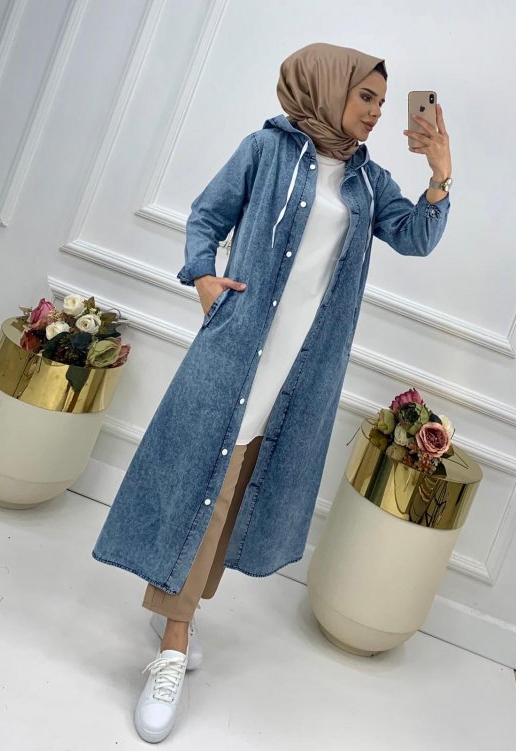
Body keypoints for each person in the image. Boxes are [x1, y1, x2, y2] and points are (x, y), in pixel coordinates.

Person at [92, 42, 452, 744]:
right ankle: (173, 643)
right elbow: (207, 215)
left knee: (236, 492)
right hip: (237, 351)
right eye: (366, 96)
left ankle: (176, 608)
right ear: (325, 87)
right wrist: (202, 276)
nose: (377, 112)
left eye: (384, 102)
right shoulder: (266, 149)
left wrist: (440, 175)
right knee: (210, 479)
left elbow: (414, 238)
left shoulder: (369, 182)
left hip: (302, 370)